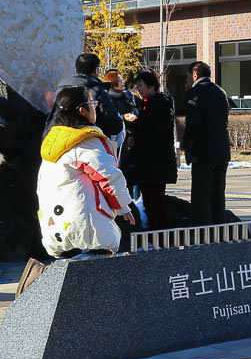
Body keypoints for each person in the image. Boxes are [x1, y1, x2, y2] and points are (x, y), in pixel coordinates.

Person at [36, 86, 135, 258]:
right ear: (82, 110)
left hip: (57, 227)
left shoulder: (54, 140)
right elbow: (107, 175)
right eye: (92, 103)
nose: (95, 107)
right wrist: (123, 205)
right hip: (86, 230)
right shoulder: (84, 140)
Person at [182, 61, 231, 226]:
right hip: (222, 150)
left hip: (203, 152)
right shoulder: (220, 91)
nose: (187, 81)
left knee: (201, 196)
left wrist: (186, 146)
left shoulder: (195, 93)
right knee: (218, 194)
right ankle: (218, 230)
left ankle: (204, 234)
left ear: (195, 75)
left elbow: (194, 125)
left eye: (188, 77)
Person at [128, 69, 177, 230]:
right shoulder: (147, 104)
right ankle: (153, 237)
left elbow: (158, 133)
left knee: (156, 204)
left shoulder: (160, 103)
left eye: (140, 85)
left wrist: (136, 140)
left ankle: (161, 238)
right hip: (147, 163)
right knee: (149, 203)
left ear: (151, 86)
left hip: (157, 163)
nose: (138, 89)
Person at [45, 53, 123, 140]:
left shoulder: (59, 90)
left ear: (76, 69)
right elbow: (114, 125)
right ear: (96, 70)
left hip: (56, 141)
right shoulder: (97, 91)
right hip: (87, 143)